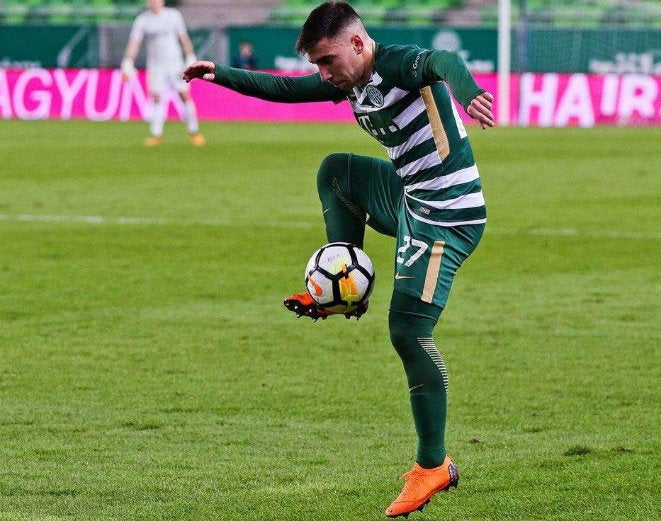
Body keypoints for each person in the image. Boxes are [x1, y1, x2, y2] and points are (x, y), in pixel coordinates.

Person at [184, 1, 493, 517]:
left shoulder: (396, 63)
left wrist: (469, 94)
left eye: (328, 60)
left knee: (409, 332)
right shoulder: (348, 79)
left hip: (447, 214)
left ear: (357, 43)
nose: (323, 74)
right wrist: (221, 74)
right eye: (318, 65)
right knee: (337, 172)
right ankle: (344, 287)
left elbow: (442, 61)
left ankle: (433, 466)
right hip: (410, 197)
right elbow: (285, 89)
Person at [121, 0, 205, 146]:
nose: (154, 2)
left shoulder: (173, 15)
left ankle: (194, 131)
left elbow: (183, 37)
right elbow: (134, 42)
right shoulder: (142, 20)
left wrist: (190, 56)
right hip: (155, 65)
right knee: (157, 98)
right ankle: (156, 134)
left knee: (184, 95)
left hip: (175, 63)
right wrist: (128, 61)